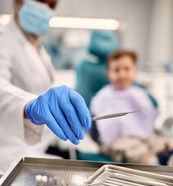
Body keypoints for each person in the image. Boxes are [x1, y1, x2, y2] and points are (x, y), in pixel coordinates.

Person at [0, 0, 91, 173]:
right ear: (18, 2)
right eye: (41, 1)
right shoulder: (3, 38)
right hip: (6, 154)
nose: (45, 9)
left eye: (51, 5)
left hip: (34, 148)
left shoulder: (37, 46)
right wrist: (30, 106)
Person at [90, 49, 164, 164]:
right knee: (141, 155)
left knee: (165, 145)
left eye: (127, 69)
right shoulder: (104, 96)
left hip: (143, 139)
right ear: (109, 73)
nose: (122, 74)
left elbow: (150, 119)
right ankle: (152, 163)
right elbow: (98, 126)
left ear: (135, 71)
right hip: (115, 142)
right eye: (116, 70)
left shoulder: (141, 94)